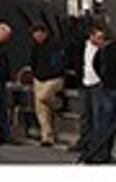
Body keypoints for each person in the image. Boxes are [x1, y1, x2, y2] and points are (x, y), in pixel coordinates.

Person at [29, 23, 66, 146]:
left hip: (53, 79)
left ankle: (57, 103)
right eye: (35, 35)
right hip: (39, 79)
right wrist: (34, 74)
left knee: (42, 97)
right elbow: (32, 61)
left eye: (40, 34)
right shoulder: (35, 47)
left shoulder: (55, 45)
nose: (37, 37)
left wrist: (56, 71)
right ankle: (47, 137)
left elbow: (60, 61)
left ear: (45, 33)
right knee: (41, 110)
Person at [70, 24, 105, 154]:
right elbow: (77, 62)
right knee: (85, 115)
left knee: (98, 116)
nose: (100, 40)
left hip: (98, 85)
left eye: (102, 38)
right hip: (85, 84)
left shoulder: (104, 49)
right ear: (91, 36)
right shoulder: (81, 47)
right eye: (98, 37)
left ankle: (96, 145)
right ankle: (84, 142)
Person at [91, 33, 116, 163]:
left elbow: (95, 64)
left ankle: (101, 153)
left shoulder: (105, 48)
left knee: (104, 122)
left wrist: (104, 78)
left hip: (107, 87)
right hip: (109, 87)